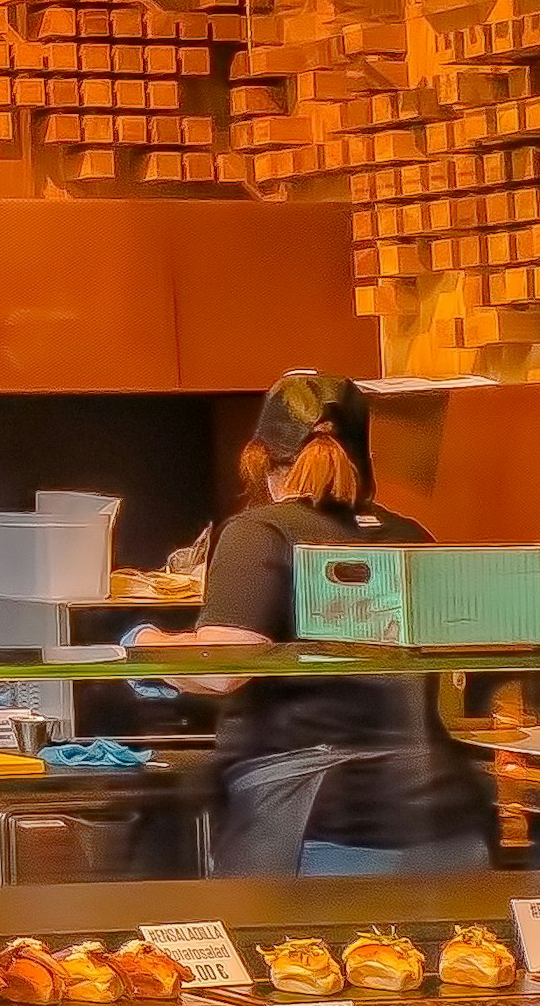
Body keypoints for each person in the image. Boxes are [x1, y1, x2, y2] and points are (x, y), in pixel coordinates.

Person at [135, 371, 488, 876]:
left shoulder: (261, 530)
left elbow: (221, 667)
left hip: (321, 827)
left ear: (258, 457)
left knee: (293, 957)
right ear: (365, 459)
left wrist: (142, 644)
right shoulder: (410, 535)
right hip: (447, 823)